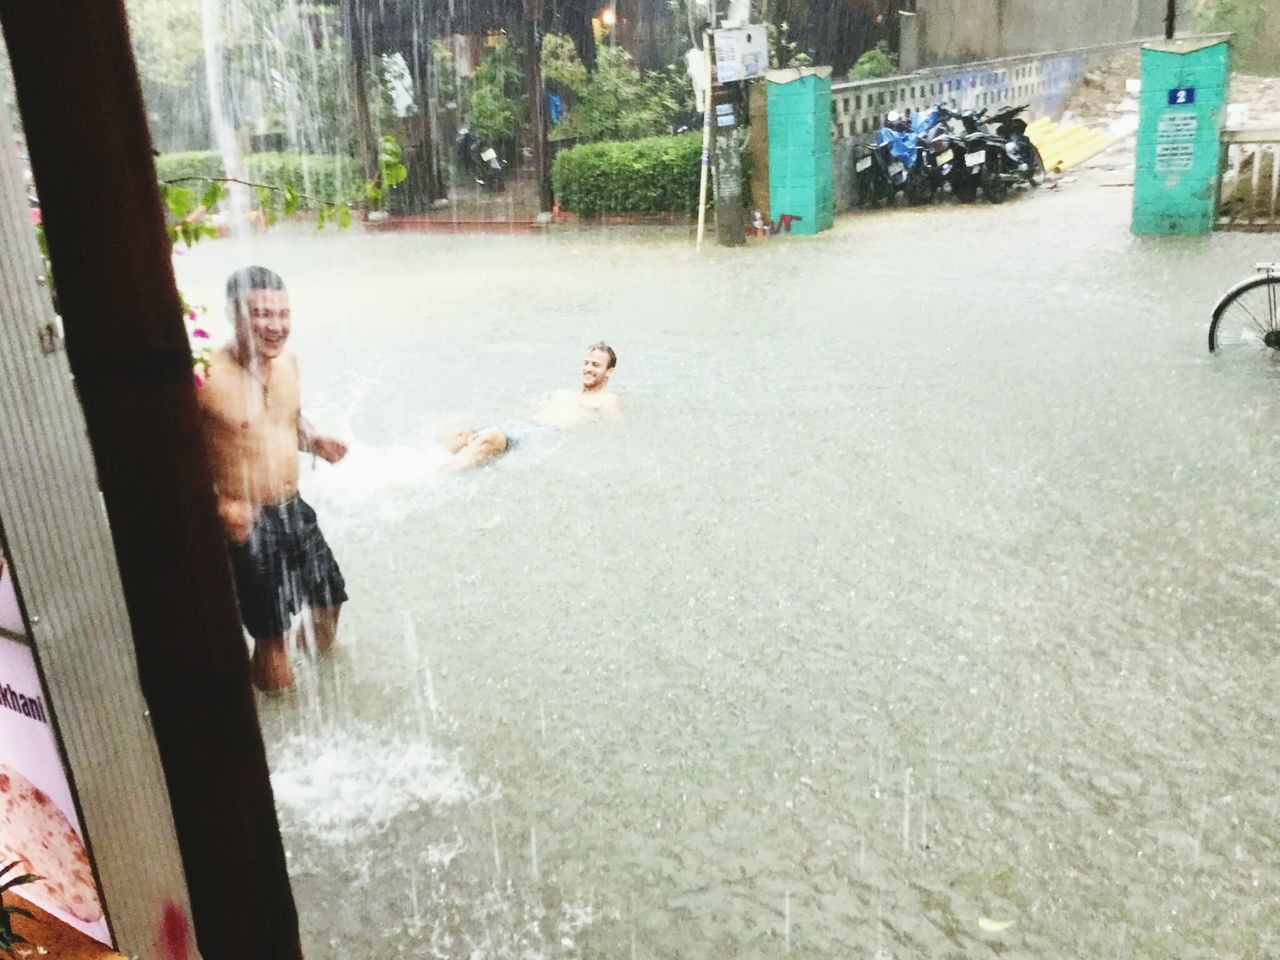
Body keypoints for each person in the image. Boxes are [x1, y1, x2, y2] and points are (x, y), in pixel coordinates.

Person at [197, 266, 348, 691]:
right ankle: (275, 720)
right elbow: (168, 455)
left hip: (293, 509)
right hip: (247, 525)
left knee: (329, 604)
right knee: (272, 637)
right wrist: (216, 502)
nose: (276, 326)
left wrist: (314, 439)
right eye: (263, 314)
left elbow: (288, 420)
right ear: (234, 312)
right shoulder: (205, 376)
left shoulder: (289, 364)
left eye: (283, 314)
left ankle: (315, 699)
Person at [444, 342, 621, 471]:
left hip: (540, 434)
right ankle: (437, 466)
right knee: (459, 435)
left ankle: (438, 478)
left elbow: (611, 434)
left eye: (595, 365)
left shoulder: (607, 400)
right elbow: (525, 412)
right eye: (586, 363)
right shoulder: (562, 393)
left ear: (609, 371)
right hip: (516, 426)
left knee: (487, 439)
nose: (588, 368)